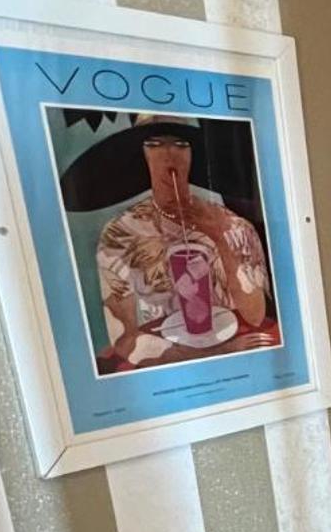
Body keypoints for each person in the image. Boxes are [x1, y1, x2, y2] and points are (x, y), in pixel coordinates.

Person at [96, 135, 275, 369]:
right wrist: (217, 353)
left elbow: (256, 316)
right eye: (154, 144)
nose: (168, 155)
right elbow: (124, 340)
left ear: (194, 154)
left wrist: (220, 240)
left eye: (181, 145)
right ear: (142, 154)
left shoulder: (235, 226)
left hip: (238, 353)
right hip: (172, 363)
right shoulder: (120, 234)